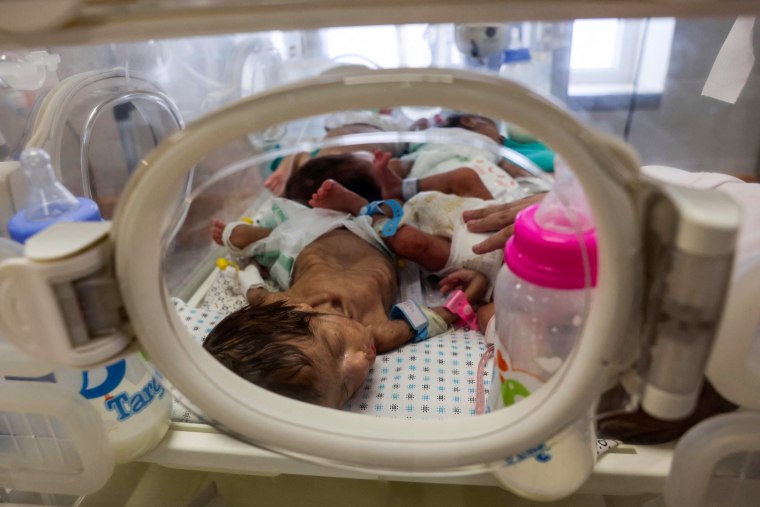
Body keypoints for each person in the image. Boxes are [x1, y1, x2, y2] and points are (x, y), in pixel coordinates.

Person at [204, 209, 490, 409]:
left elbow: (257, 296)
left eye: (337, 346)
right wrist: (466, 297)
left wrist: (248, 274)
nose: (360, 362)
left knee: (277, 243)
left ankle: (257, 239)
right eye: (346, 389)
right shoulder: (376, 332)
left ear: (299, 310)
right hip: (376, 240)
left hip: (307, 238)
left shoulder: (284, 305)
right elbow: (430, 319)